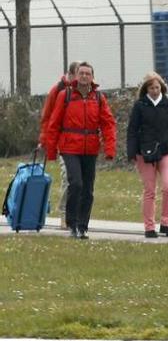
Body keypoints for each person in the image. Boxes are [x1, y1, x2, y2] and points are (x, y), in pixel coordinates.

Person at [43, 62, 117, 239]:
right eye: (81, 73)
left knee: (88, 189)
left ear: (92, 77)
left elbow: (108, 124)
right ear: (76, 76)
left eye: (88, 73)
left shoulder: (99, 98)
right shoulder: (65, 95)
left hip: (90, 148)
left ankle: (83, 226)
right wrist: (51, 150)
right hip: (69, 147)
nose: (84, 76)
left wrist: (110, 149)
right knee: (75, 183)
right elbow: (53, 123)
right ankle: (72, 223)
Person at [126, 72, 168, 238]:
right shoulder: (140, 106)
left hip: (166, 152)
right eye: (151, 87)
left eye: (157, 87)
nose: (155, 90)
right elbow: (132, 130)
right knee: (150, 190)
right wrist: (131, 151)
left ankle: (166, 223)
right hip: (144, 153)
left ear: (162, 87)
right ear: (146, 89)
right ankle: (149, 226)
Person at [38, 61, 80, 229]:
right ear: (71, 74)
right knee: (68, 176)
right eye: (80, 74)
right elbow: (47, 116)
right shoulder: (58, 90)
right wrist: (44, 139)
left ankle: (76, 214)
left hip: (81, 142)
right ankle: (64, 213)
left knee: (80, 181)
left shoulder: (85, 91)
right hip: (63, 141)